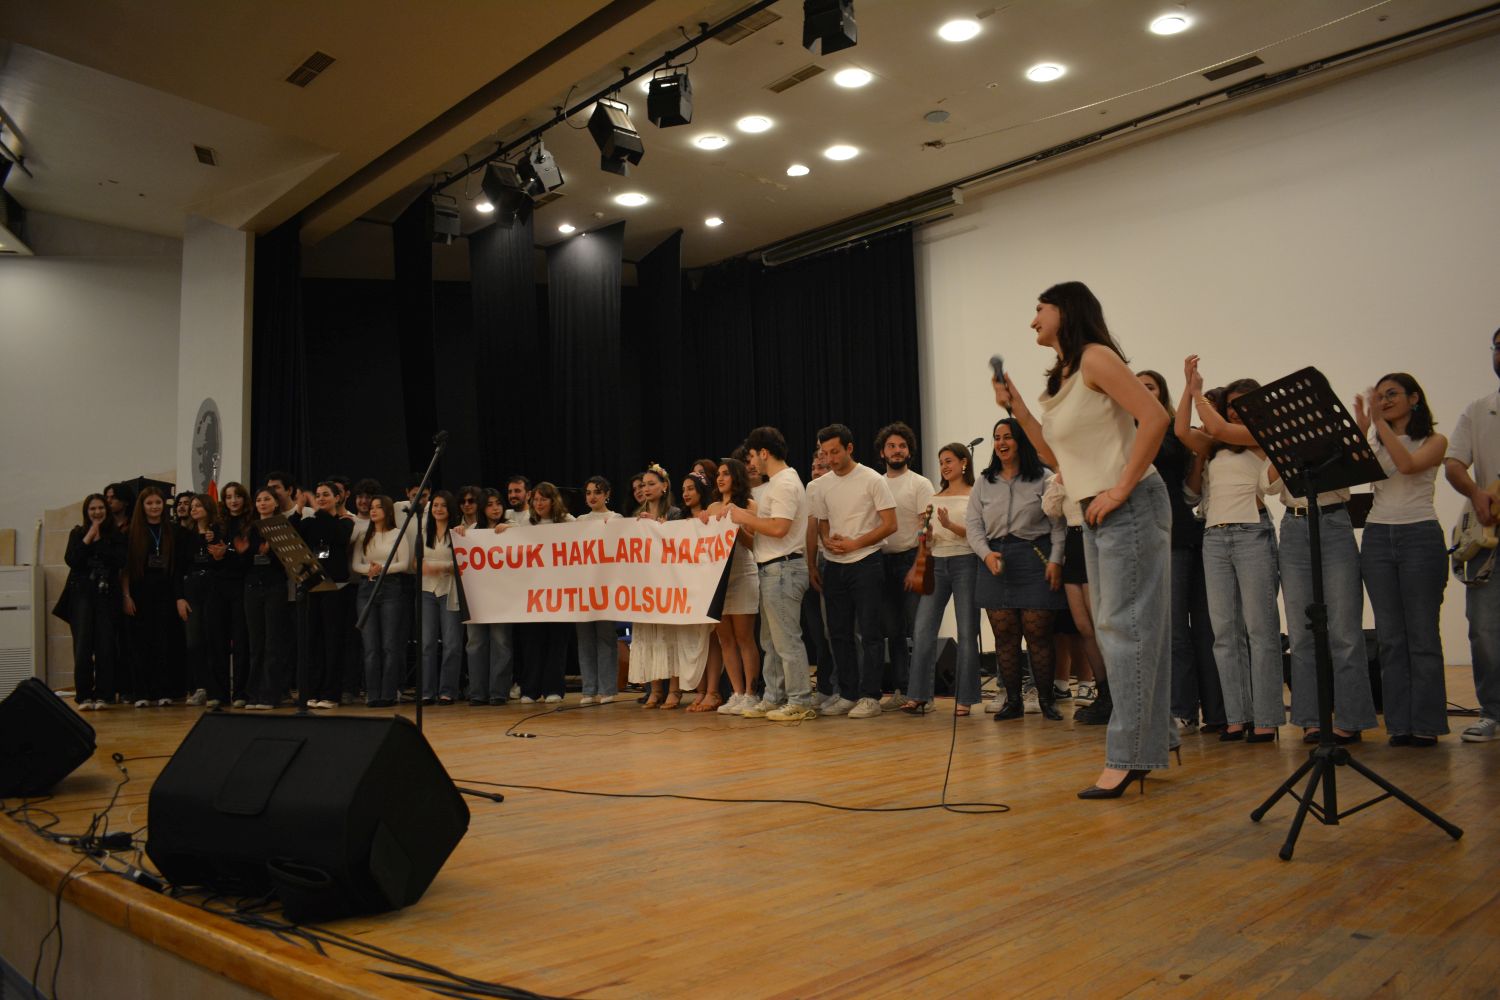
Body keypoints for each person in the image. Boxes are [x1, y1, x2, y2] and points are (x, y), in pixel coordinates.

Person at [995, 282, 1171, 798]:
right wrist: (1021, 409)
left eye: (1039, 309)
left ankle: (1130, 756)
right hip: (1092, 511)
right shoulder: (1066, 376)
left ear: (1065, 310)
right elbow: (1056, 458)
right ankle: (1157, 738)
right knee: (1122, 627)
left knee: (1124, 629)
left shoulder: (1096, 357)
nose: (1032, 321)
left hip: (1127, 504)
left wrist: (1120, 489)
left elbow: (1156, 418)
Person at [1178, 361, 1282, 744]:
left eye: (1245, 404)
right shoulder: (1216, 446)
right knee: (1224, 633)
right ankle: (1237, 717)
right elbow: (1180, 430)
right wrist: (1189, 392)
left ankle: (1267, 717)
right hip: (1215, 538)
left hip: (1252, 532)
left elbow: (1219, 426)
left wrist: (1199, 391)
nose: (1237, 410)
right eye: (1233, 405)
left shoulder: (1262, 434)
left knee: (1260, 630)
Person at [1356, 373, 1449, 746]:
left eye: (1392, 394)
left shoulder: (1435, 440)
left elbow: (1408, 466)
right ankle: (1399, 724)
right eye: (1379, 396)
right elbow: (1356, 471)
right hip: (1378, 536)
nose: (1384, 400)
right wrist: (1363, 427)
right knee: (1391, 637)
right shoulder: (1378, 440)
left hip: (1419, 536)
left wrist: (1378, 424)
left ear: (1414, 398)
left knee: (1422, 635)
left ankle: (1426, 724)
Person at [1138, 370, 1226, 735]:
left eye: (1150, 386)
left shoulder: (1173, 432)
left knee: (1197, 629)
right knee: (1170, 630)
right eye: (1137, 386)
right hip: (1145, 537)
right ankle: (1185, 708)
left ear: (1162, 393)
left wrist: (1198, 460)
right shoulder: (1127, 432)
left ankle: (1206, 713)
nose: (1143, 391)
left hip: (1180, 533)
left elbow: (1190, 490)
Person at [967, 418, 1066, 721]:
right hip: (995, 558)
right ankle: (1013, 702)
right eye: (997, 437)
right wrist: (985, 555)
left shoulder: (1044, 478)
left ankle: (1047, 700)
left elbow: (1058, 524)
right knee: (1005, 636)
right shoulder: (985, 481)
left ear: (1021, 441)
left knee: (1038, 635)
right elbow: (973, 525)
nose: (1001, 443)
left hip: (1035, 556)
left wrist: (1056, 560)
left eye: (1008, 437)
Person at [806, 424, 897, 719]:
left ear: (849, 448)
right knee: (839, 633)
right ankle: (847, 693)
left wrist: (855, 542)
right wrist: (827, 539)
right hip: (835, 564)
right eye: (825, 453)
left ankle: (870, 695)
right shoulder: (822, 485)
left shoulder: (872, 479)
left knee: (870, 632)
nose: (830, 459)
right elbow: (821, 521)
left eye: (835, 452)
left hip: (867, 561)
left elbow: (889, 524)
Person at [731, 427, 818, 722]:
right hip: (772, 567)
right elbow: (767, 532)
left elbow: (780, 528)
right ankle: (773, 695)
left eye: (753, 455)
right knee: (770, 642)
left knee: (786, 640)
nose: (751, 462)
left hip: (784, 567)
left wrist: (744, 517)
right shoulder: (776, 484)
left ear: (764, 453)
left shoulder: (784, 484)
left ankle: (800, 699)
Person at [1444, 326, 1500, 743]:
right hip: (1488, 534)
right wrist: (1477, 494)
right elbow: (1453, 464)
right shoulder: (1479, 410)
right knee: (1483, 629)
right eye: (1499, 347)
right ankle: (1493, 712)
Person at [904, 443, 980, 715]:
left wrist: (949, 526)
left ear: (964, 463)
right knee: (923, 630)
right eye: (941, 462)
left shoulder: (974, 495)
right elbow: (929, 538)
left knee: (967, 631)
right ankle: (919, 695)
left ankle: (966, 697)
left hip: (966, 563)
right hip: (937, 564)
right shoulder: (935, 498)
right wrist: (925, 536)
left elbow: (977, 536)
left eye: (949, 461)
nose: (945, 466)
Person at [630, 465, 710, 707]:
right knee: (651, 636)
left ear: (664, 486)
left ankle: (674, 690)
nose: (646, 488)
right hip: (647, 585)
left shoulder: (675, 514)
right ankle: (655, 689)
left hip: (669, 585)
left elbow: (679, 542)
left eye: (652, 484)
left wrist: (658, 525)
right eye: (643, 485)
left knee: (670, 637)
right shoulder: (636, 515)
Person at [873, 422, 936, 709]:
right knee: (893, 631)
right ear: (882, 452)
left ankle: (926, 693)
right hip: (882, 562)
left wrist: (919, 563)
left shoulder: (920, 483)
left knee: (919, 630)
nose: (897, 451)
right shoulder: (875, 483)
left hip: (913, 559)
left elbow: (927, 527)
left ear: (909, 451)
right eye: (891, 446)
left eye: (902, 446)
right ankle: (902, 689)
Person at [705, 462, 762, 715]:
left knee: (744, 638)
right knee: (725, 639)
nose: (720, 478)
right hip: (717, 580)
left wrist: (737, 528)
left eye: (726, 473)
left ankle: (751, 692)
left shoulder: (749, 506)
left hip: (742, 575)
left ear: (737, 477)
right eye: (718, 474)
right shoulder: (712, 508)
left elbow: (755, 544)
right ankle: (736, 692)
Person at [121, 487, 184, 706]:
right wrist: (126, 595)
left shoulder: (172, 531)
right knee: (140, 644)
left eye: (158, 502)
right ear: (142, 506)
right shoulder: (131, 532)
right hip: (139, 593)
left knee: (163, 642)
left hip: (164, 593)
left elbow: (177, 568)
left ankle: (163, 691)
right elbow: (126, 568)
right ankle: (142, 693)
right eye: (150, 503)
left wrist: (178, 597)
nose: (155, 507)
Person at [295, 482, 354, 709]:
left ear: (338, 498)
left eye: (325, 495)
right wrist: (300, 509)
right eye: (318, 495)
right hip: (313, 585)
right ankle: (313, 690)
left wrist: (318, 511)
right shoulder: (311, 521)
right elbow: (294, 534)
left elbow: (339, 537)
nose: (320, 498)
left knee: (332, 642)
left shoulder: (345, 521)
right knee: (314, 641)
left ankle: (331, 693)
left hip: (336, 588)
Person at [64, 494, 125, 709]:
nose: (97, 512)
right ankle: (84, 695)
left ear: (106, 511)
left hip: (106, 595)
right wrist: (89, 537)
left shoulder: (115, 535)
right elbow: (72, 560)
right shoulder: (77, 533)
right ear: (86, 512)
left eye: (100, 508)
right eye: (92, 509)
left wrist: (99, 542)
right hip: (81, 596)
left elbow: (119, 560)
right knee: (82, 647)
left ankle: (104, 694)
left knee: (105, 646)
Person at [352, 494, 412, 708]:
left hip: (391, 587)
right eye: (372, 507)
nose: (373, 510)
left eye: (378, 507)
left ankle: (388, 692)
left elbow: (404, 563)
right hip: (367, 587)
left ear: (387, 511)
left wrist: (382, 568)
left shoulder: (398, 533)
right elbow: (356, 564)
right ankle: (372, 693)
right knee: (370, 646)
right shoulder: (363, 534)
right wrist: (370, 570)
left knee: (389, 645)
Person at [456, 489, 515, 705]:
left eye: (499, 503)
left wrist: (509, 531)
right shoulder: (472, 530)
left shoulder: (511, 527)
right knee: (475, 643)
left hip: (502, 596)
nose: (496, 508)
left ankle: (499, 692)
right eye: (490, 504)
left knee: (501, 642)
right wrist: (461, 533)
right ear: (483, 508)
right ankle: (477, 692)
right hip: (477, 596)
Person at [521, 483, 574, 704]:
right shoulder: (526, 523)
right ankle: (530, 689)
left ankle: (554, 688)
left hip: (560, 592)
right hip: (533, 592)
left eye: (544, 499)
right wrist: (504, 531)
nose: (539, 504)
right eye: (536, 500)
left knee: (557, 641)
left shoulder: (568, 522)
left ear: (554, 500)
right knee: (533, 641)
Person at [178, 494, 232, 707]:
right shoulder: (185, 535)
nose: (193, 509)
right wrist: (179, 597)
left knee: (215, 641)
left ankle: (218, 691)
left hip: (214, 589)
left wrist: (218, 546)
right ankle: (202, 686)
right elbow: (178, 567)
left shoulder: (218, 532)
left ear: (208, 508)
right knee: (194, 642)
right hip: (192, 591)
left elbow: (224, 564)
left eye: (198, 505)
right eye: (192, 506)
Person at [240, 488, 289, 709]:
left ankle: (270, 695)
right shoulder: (249, 529)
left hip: (274, 587)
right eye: (258, 500)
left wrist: (273, 550)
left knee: (273, 643)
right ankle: (254, 693)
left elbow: (290, 561)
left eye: (266, 499)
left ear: (276, 503)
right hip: (252, 588)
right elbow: (243, 563)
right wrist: (248, 552)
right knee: (256, 643)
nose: (262, 503)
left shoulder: (282, 526)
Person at [576, 476, 621, 706]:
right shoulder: (579, 521)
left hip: (606, 588)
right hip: (583, 588)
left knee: (605, 638)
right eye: (588, 492)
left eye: (597, 492)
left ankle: (607, 688)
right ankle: (588, 689)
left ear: (607, 494)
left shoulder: (616, 519)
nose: (592, 496)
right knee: (584, 639)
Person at [419, 491, 464, 705]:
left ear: (450, 509)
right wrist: (423, 568)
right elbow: (414, 564)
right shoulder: (423, 532)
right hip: (426, 591)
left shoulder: (457, 532)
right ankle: (427, 691)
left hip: (449, 590)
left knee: (452, 644)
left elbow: (463, 564)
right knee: (427, 643)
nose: (437, 509)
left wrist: (440, 567)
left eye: (442, 506)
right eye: (435, 505)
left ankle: (447, 690)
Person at [218, 482, 253, 706]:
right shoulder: (219, 524)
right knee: (220, 640)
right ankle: (221, 692)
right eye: (228, 497)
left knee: (241, 641)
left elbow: (251, 557)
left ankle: (240, 691)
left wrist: (239, 553)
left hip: (243, 585)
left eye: (237, 496)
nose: (233, 500)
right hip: (221, 586)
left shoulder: (251, 523)